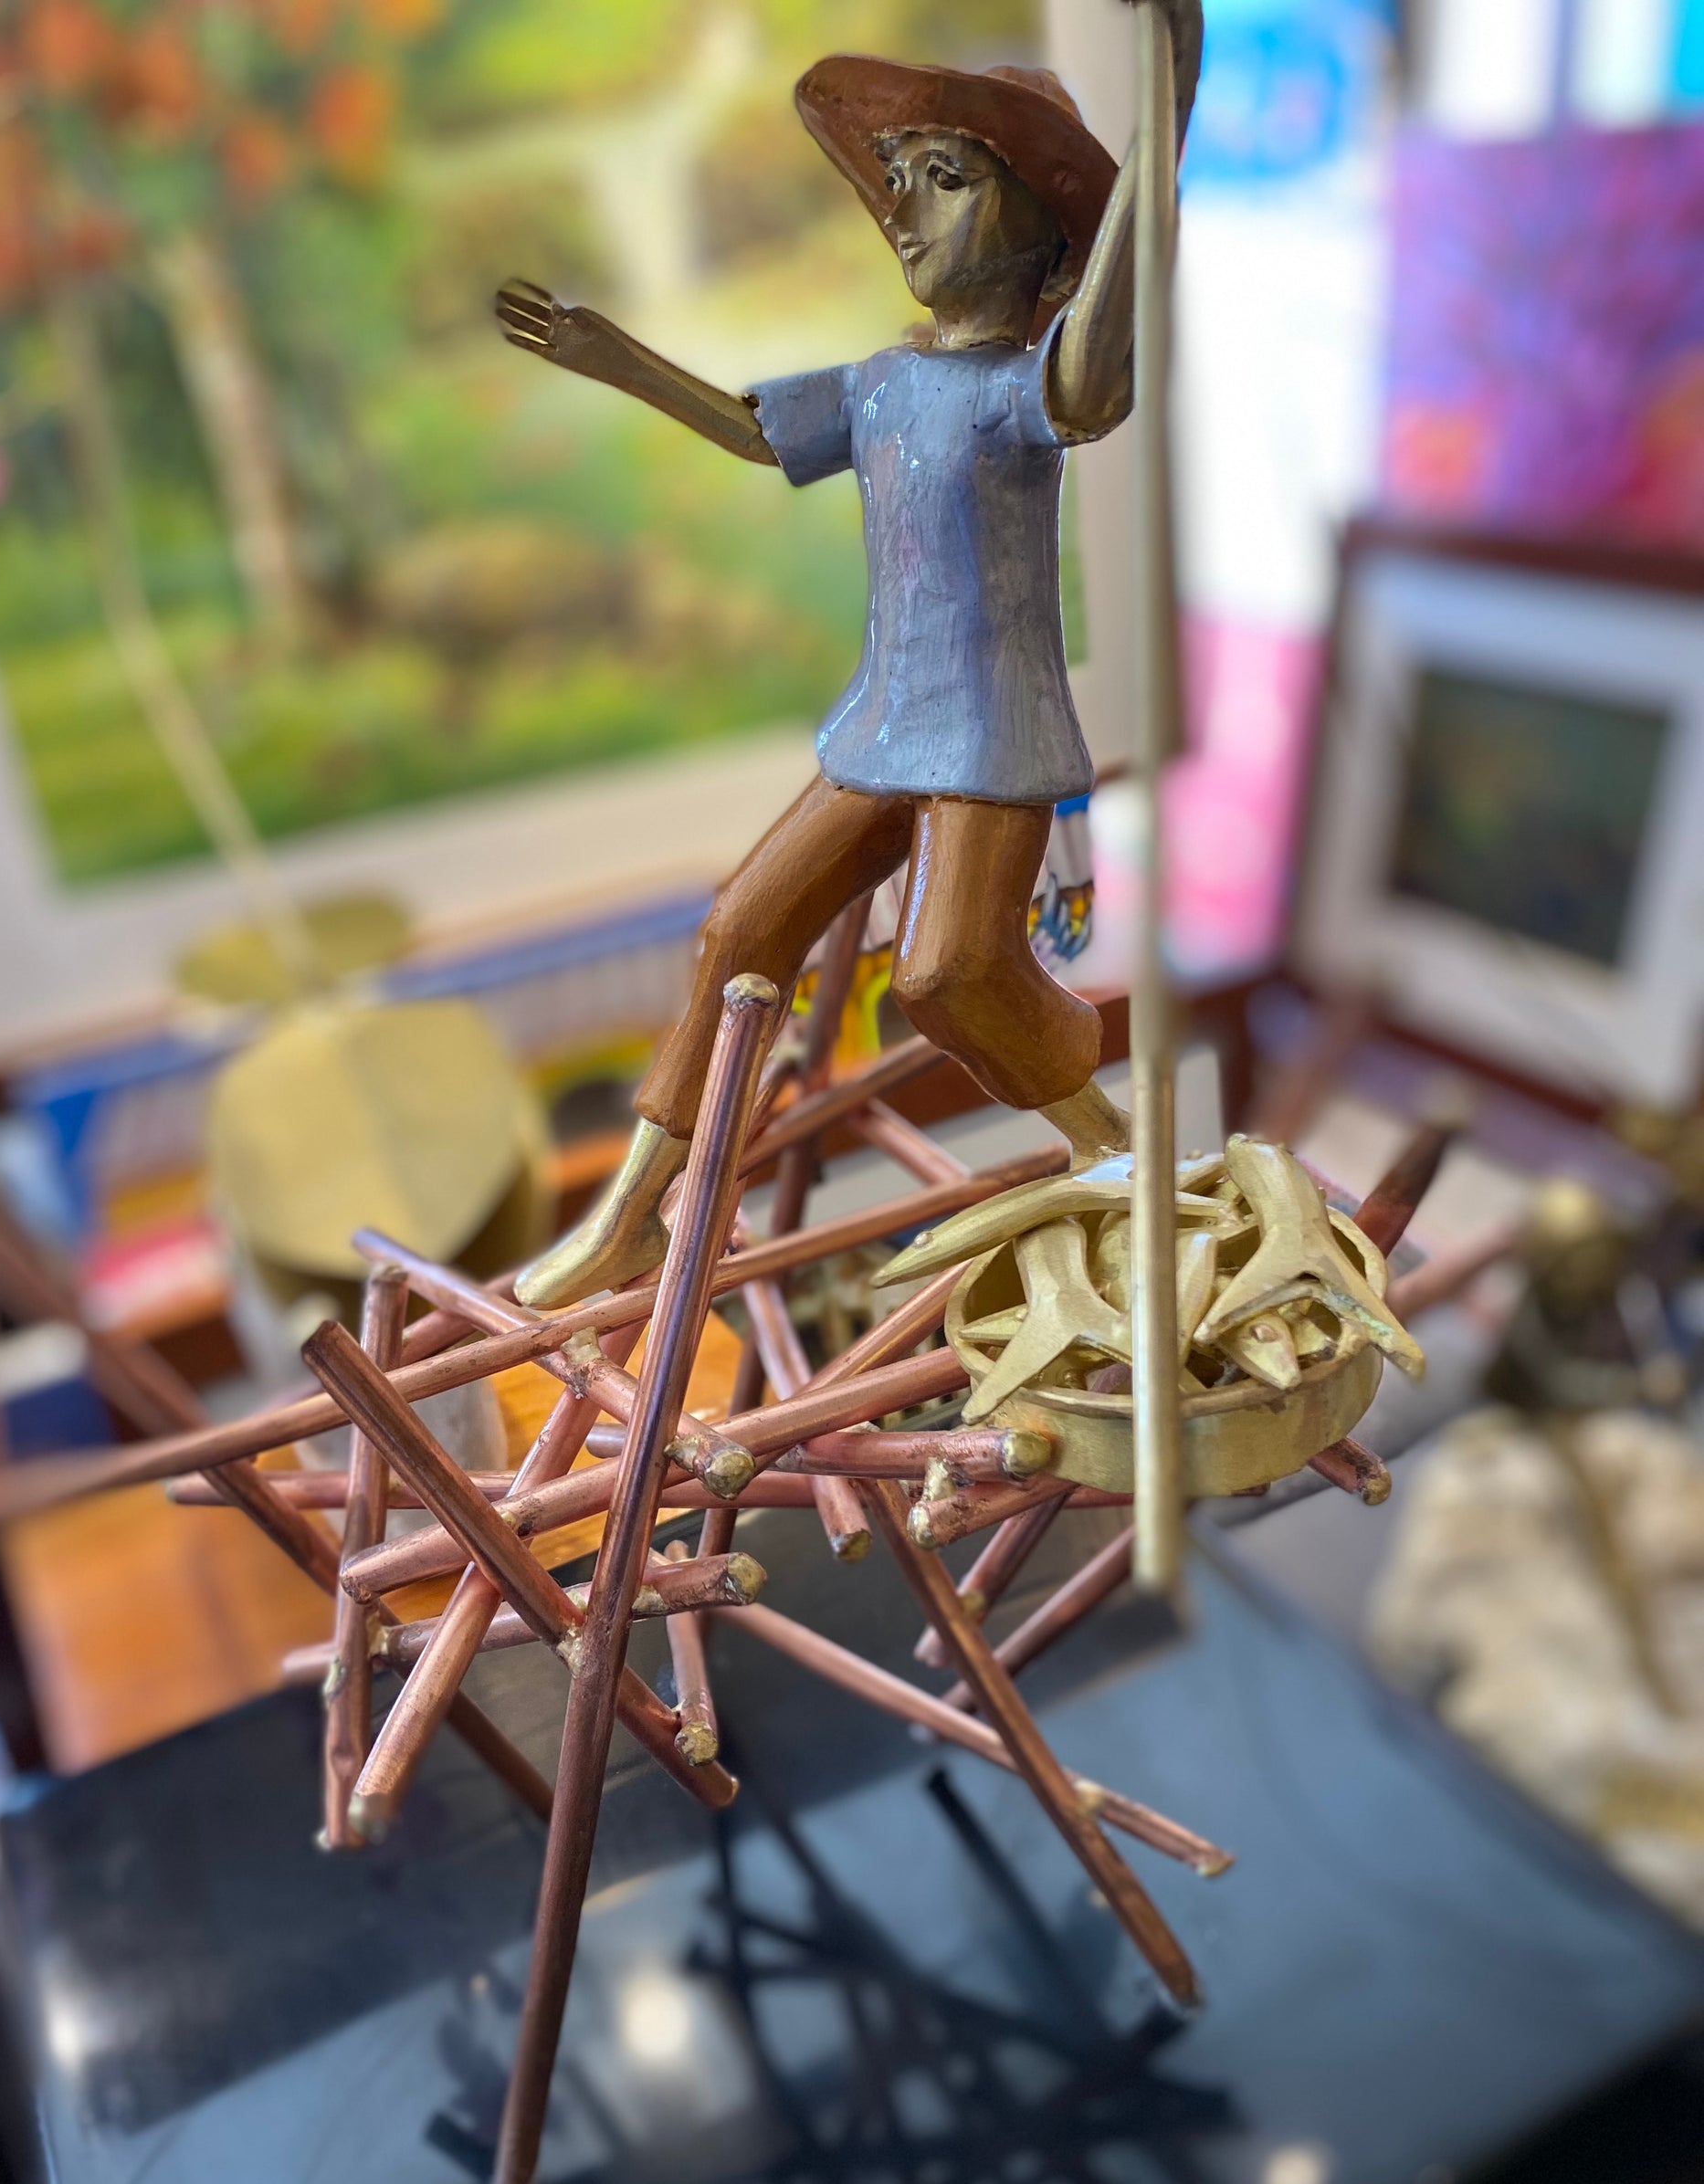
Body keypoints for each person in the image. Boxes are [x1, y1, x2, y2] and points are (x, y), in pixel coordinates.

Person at [498, 16, 1204, 1307]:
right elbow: (750, 431)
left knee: (950, 972)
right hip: (880, 727)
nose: (904, 214)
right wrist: (613, 358)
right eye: (897, 181)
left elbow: (1109, 334)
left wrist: (1168, 98)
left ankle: (1111, 1142)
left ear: (1042, 224)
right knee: (738, 930)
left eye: (947, 179)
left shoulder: (1028, 390)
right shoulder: (881, 382)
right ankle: (629, 1220)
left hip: (988, 737)